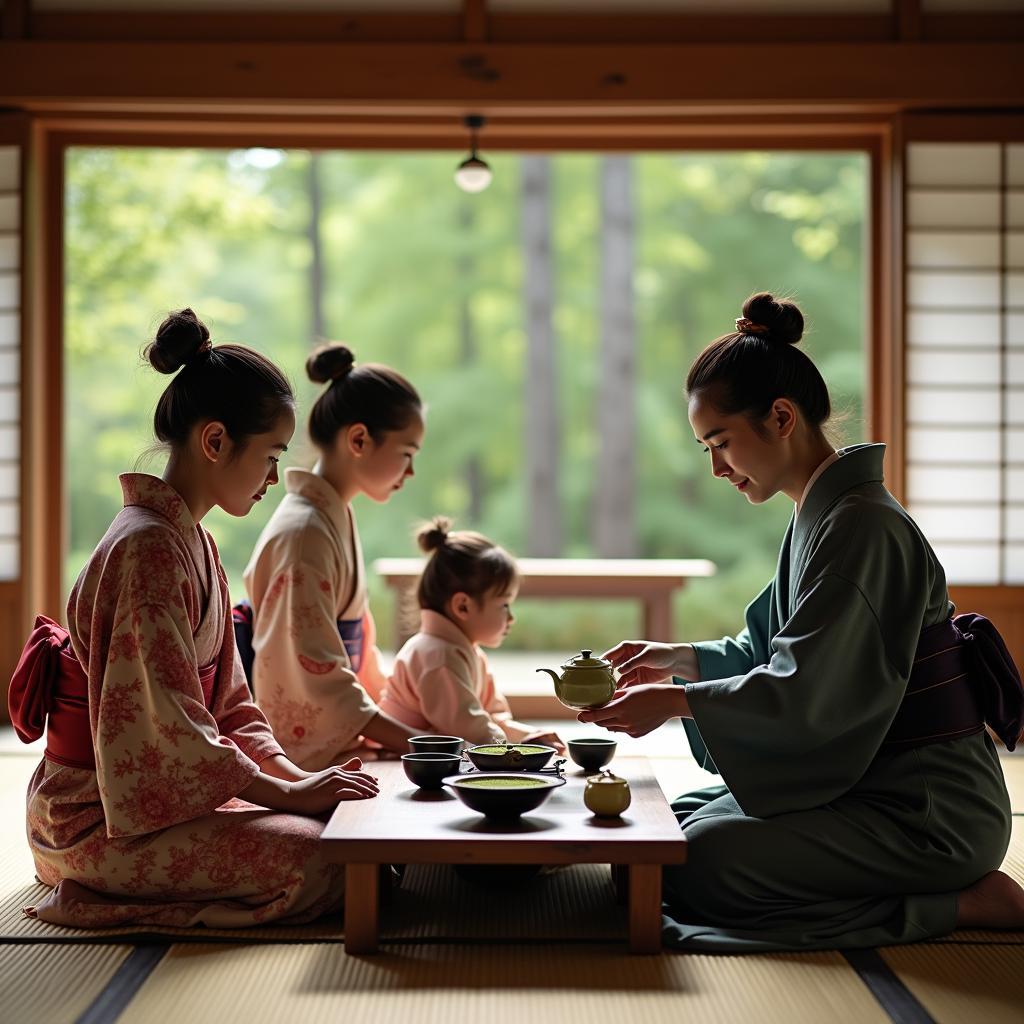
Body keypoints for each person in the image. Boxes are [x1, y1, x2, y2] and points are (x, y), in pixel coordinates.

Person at [579, 292, 1024, 951]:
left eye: (721, 443)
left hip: (925, 809)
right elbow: (768, 649)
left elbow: (808, 691)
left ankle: (958, 904)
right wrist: (680, 660)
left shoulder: (863, 528)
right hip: (864, 784)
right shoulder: (825, 516)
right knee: (667, 826)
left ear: (781, 417)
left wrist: (678, 700)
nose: (717, 468)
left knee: (694, 864)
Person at [11, 309, 378, 929]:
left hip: (155, 802)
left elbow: (232, 708)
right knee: (328, 862)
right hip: (94, 818)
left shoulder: (195, 544)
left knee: (352, 838)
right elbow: (172, 733)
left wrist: (301, 779)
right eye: (269, 457)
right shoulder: (146, 551)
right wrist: (289, 797)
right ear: (215, 441)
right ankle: (93, 891)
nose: (271, 478)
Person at [243, 343, 422, 768]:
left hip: (342, 739)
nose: (411, 472)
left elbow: (353, 657)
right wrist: (423, 743)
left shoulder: (328, 517)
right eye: (407, 454)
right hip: (298, 760)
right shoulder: (304, 534)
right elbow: (316, 675)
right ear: (359, 439)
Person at [380, 516, 563, 750]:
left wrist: (530, 736)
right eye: (504, 605)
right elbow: (472, 729)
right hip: (399, 764)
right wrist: (517, 750)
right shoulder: (438, 657)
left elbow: (492, 718)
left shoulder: (465, 651)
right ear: (463, 606)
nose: (511, 618)